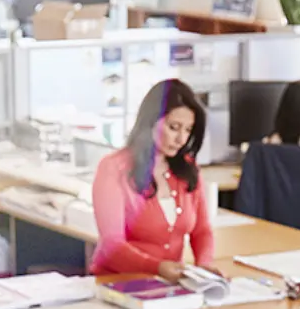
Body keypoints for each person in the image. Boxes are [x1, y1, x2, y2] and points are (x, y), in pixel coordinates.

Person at [92, 79, 216, 280]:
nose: (181, 139)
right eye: (174, 127)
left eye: (188, 130)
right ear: (150, 121)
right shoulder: (114, 168)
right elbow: (112, 245)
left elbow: (202, 231)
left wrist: (204, 266)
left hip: (167, 284)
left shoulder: (187, 169)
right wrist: (157, 267)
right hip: (118, 281)